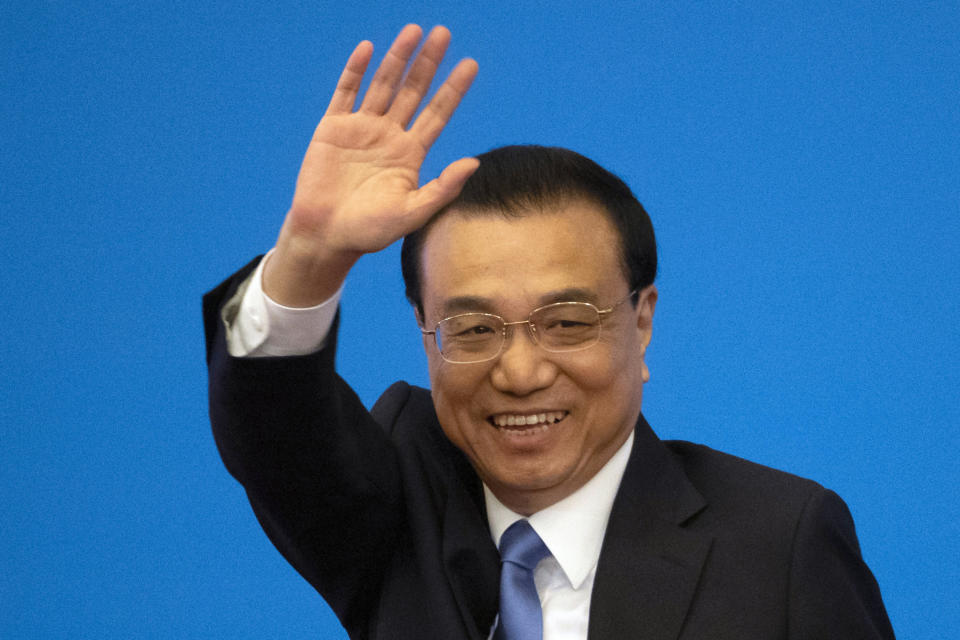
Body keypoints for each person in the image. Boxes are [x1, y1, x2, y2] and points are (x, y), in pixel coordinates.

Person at [203, 24, 894, 640]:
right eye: (473, 328)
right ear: (424, 331)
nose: (521, 371)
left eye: (565, 323)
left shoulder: (777, 542)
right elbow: (278, 432)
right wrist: (309, 257)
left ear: (642, 320)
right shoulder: (399, 507)